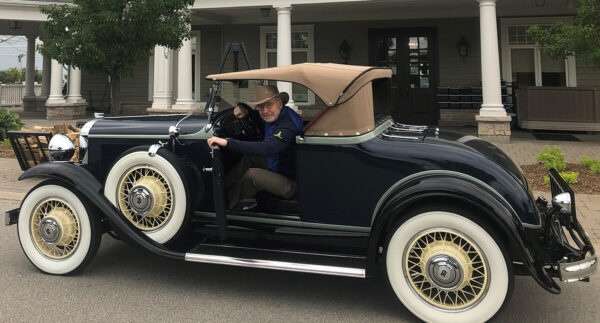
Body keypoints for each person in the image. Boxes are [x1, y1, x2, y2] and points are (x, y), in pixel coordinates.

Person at [207, 85, 304, 209]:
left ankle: (222, 205)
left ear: (280, 103)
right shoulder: (279, 115)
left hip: (293, 183)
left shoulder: (287, 125)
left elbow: (267, 148)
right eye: (261, 106)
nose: (265, 111)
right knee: (250, 157)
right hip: (281, 165)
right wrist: (246, 110)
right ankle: (219, 189)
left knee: (252, 176)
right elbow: (261, 117)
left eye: (269, 105)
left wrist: (228, 142)